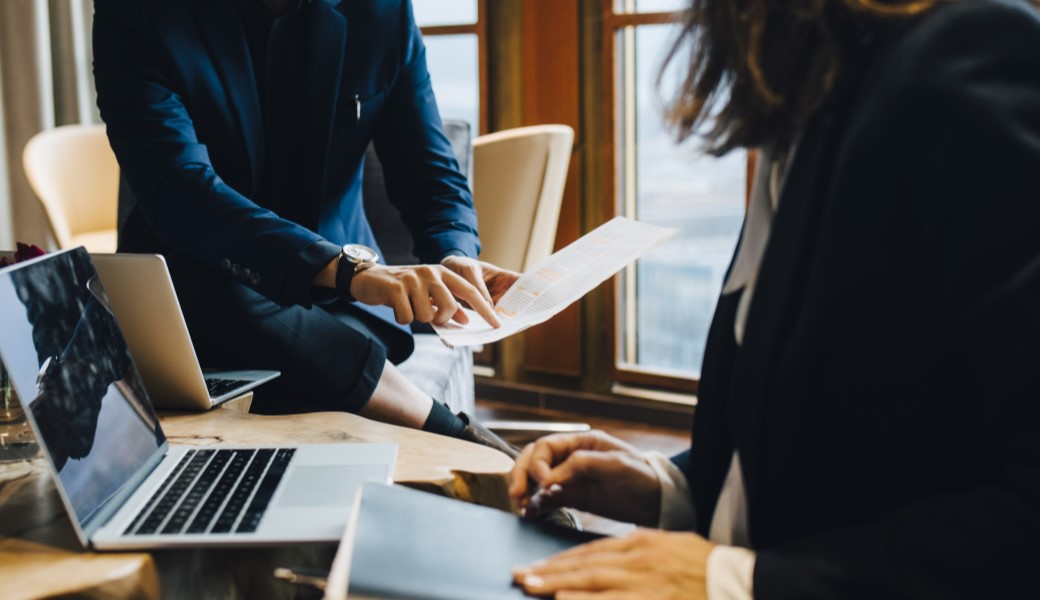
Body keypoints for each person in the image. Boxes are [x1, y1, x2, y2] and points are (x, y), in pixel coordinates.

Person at [509, 0, 1040, 597]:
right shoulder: (814, 107)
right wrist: (671, 487)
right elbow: (858, 436)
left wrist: (739, 581)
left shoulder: (972, 55)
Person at [91, 0, 517, 441]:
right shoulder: (136, 12)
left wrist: (453, 253)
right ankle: (446, 428)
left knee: (295, 366)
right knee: (205, 280)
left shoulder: (381, 11)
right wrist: (352, 271)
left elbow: (430, 174)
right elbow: (181, 191)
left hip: (344, 311)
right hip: (196, 294)